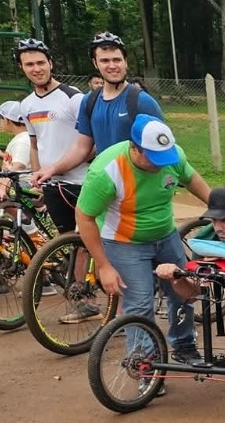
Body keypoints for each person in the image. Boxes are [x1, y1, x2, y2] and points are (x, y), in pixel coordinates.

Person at [74, 115, 211, 363]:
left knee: (183, 292)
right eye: (154, 158)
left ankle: (184, 345)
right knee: (139, 304)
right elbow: (84, 217)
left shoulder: (172, 156)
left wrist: (220, 207)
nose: (161, 165)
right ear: (134, 148)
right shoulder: (106, 171)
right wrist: (104, 266)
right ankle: (144, 363)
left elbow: (191, 179)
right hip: (124, 242)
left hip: (165, 234)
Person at [33, 32, 163, 188]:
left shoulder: (142, 102)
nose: (112, 66)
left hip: (138, 187)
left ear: (125, 62)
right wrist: (52, 170)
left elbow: (162, 147)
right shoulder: (89, 101)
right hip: (105, 185)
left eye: (117, 60)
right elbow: (82, 147)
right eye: (105, 61)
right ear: (95, 63)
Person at [13, 38, 86, 234]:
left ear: (50, 63)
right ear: (22, 67)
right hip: (51, 185)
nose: (36, 69)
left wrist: (57, 168)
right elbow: (35, 145)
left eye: (41, 63)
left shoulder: (74, 97)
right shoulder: (26, 105)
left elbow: (92, 143)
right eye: (29, 64)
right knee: (67, 240)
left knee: (86, 241)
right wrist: (38, 180)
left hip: (81, 182)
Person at [0, 101, 32, 171]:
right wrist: (2, 155)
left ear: (6, 120)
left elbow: (19, 166)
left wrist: (3, 178)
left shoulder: (21, 142)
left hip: (18, 178)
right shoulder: (25, 138)